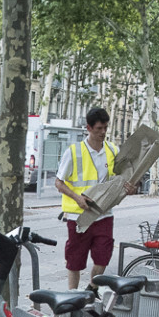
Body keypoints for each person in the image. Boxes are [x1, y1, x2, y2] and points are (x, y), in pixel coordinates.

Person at [54, 107, 135, 291]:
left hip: (104, 214)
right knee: (75, 260)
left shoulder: (113, 150)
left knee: (103, 257)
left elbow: (121, 178)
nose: (103, 132)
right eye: (99, 128)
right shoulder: (74, 152)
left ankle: (92, 289)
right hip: (79, 217)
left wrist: (128, 187)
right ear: (88, 128)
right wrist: (77, 198)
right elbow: (58, 183)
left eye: (105, 128)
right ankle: (72, 296)